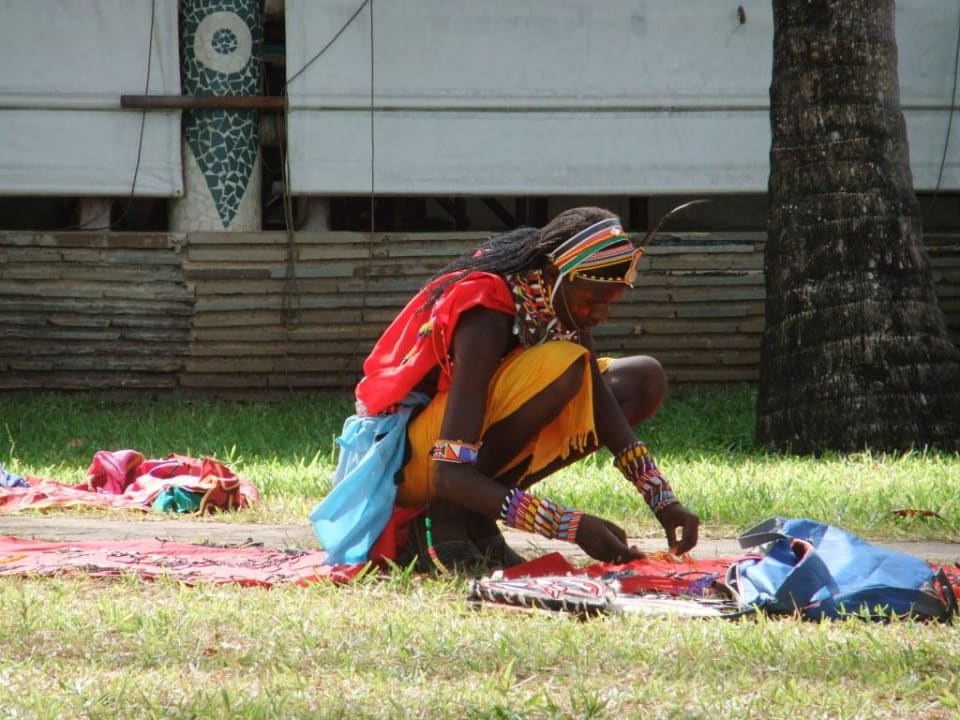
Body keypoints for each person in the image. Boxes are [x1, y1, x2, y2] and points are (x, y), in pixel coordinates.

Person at [312, 206, 699, 571]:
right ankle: (442, 522)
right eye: (592, 302)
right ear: (552, 274)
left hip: (454, 457)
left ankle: (476, 515)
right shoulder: (487, 313)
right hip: (411, 465)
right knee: (563, 365)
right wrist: (571, 526)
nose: (598, 315)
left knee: (640, 380)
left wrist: (664, 502)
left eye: (609, 304)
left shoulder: (559, 308)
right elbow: (449, 472)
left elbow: (603, 407)